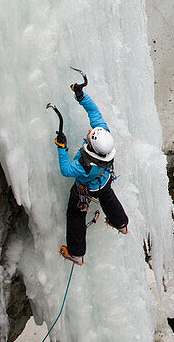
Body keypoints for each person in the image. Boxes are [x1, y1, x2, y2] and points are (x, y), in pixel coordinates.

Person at [54, 80, 128, 265]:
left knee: (76, 216)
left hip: (85, 191)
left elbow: (65, 170)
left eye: (90, 135)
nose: (89, 131)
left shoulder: (84, 164)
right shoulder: (105, 140)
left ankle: (76, 254)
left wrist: (61, 148)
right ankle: (121, 224)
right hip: (104, 181)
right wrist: (82, 96)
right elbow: (94, 113)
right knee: (109, 198)